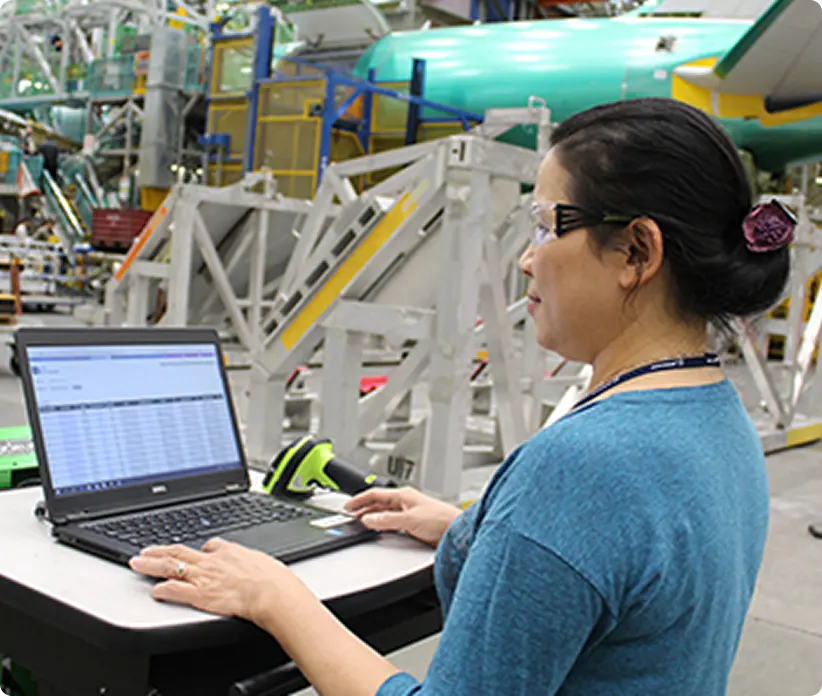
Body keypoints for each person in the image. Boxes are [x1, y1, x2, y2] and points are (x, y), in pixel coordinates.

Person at [129, 97, 792, 694]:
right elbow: (623, 573)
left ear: (636, 253)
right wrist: (477, 530)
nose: (528, 259)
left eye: (545, 224)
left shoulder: (582, 465)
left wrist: (278, 597)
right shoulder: (717, 417)